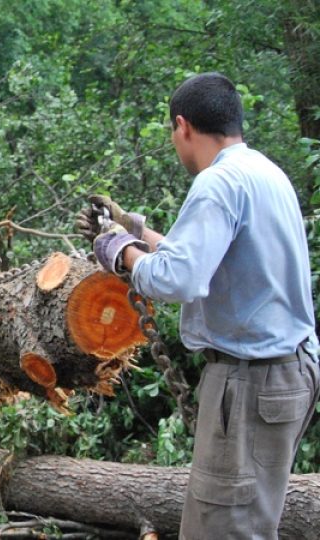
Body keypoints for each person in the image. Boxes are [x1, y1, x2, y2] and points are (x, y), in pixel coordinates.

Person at [77, 72, 319, 539]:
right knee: (248, 522)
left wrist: (118, 250)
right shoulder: (264, 173)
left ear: (182, 126)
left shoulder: (218, 183)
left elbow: (178, 278)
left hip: (251, 380)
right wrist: (134, 229)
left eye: (172, 132)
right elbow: (209, 261)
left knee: (221, 530)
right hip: (286, 371)